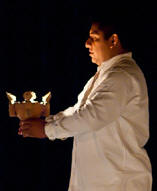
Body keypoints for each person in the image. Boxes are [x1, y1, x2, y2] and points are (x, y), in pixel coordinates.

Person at [19, 15, 152, 191]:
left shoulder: (121, 75)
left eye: (94, 38)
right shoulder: (104, 76)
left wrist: (46, 130)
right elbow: (79, 111)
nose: (87, 43)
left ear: (113, 40)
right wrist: (47, 122)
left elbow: (90, 116)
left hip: (118, 183)